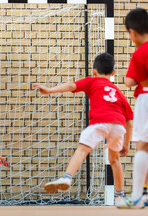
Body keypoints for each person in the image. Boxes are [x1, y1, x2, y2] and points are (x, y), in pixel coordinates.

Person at [33, 53, 133, 207]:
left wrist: (49, 90)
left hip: (100, 122)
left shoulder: (91, 81)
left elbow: (71, 86)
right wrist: (126, 144)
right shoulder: (117, 91)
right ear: (113, 74)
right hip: (118, 125)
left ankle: (67, 177)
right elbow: (130, 122)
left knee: (82, 150)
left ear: (93, 71)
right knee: (114, 160)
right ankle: (119, 197)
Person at [116, 8, 148, 209]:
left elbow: (128, 81)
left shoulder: (140, 53)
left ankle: (137, 194)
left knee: (143, 146)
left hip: (146, 97)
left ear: (133, 32)